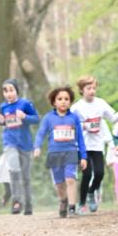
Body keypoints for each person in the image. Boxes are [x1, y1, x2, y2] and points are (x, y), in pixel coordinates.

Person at [34, 86, 87, 218]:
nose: (63, 101)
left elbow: (80, 138)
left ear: (70, 102)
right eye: (60, 99)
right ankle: (63, 200)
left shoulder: (74, 118)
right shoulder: (48, 118)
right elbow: (40, 134)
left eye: (66, 99)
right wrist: (37, 147)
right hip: (54, 153)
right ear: (54, 102)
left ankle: (72, 207)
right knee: (59, 182)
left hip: (71, 152)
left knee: (70, 179)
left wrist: (83, 156)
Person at [72, 75, 118, 215]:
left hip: (97, 145)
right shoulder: (76, 107)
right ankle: (82, 204)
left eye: (94, 88)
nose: (92, 91)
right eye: (89, 88)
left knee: (99, 173)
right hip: (83, 146)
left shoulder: (101, 103)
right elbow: (70, 124)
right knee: (87, 174)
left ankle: (91, 192)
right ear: (82, 90)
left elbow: (113, 118)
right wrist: (84, 125)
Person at [0, 79, 40, 215]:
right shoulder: (3, 106)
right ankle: (17, 201)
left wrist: (25, 116)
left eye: (11, 90)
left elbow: (36, 119)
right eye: (5, 91)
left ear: (17, 91)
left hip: (25, 144)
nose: (8, 94)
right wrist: (1, 122)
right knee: (14, 170)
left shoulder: (25, 104)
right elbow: (6, 123)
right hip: (9, 143)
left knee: (26, 177)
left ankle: (28, 204)